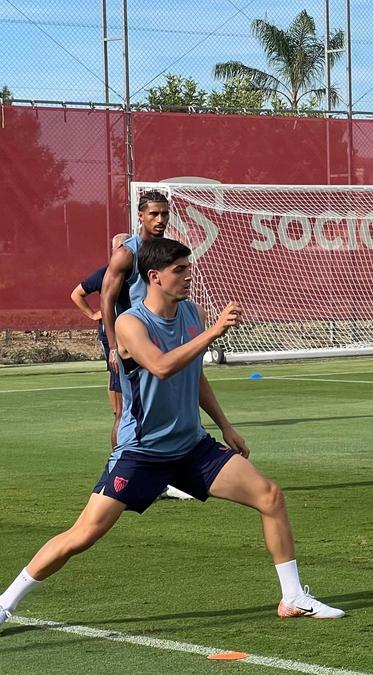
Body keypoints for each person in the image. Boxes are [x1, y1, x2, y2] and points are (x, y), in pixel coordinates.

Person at [0, 238, 343, 629]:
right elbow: (161, 366)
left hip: (192, 447)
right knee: (84, 535)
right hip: (143, 452)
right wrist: (213, 333)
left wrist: (226, 425)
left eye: (188, 268)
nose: (188, 277)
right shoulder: (131, 323)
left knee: (270, 496)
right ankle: (5, 603)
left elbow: (194, 376)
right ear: (154, 277)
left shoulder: (191, 313)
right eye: (179, 270)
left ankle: (293, 598)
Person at [69, 233, 131, 446]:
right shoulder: (105, 273)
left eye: (127, 245)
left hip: (134, 332)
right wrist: (93, 314)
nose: (124, 249)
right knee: (116, 376)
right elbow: (76, 294)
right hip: (112, 335)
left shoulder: (139, 273)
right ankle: (119, 417)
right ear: (113, 251)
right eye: (120, 247)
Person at [101, 191, 169, 377]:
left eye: (165, 213)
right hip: (137, 336)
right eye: (154, 214)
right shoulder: (126, 254)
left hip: (166, 332)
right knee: (136, 401)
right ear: (141, 216)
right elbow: (107, 298)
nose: (160, 219)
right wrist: (114, 346)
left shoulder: (171, 251)